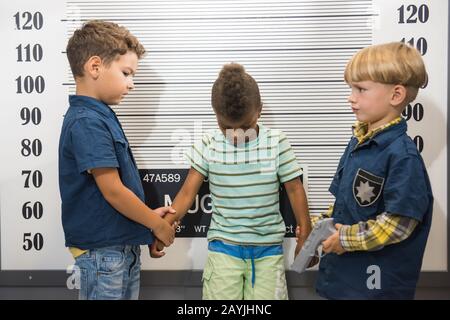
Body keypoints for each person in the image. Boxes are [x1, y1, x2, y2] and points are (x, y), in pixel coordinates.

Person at [151, 63, 311, 299]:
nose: (235, 135)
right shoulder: (208, 144)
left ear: (260, 111)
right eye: (226, 127)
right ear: (216, 115)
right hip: (224, 250)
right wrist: (163, 229)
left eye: (244, 127)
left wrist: (305, 234)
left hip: (267, 252)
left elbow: (295, 189)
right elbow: (186, 194)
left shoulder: (276, 142)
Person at [300, 42, 433, 299]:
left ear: (396, 95)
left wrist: (345, 239)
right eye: (352, 88)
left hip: (374, 289)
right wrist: (314, 227)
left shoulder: (402, 156)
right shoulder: (357, 143)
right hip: (340, 282)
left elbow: (398, 224)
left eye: (361, 89)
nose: (351, 97)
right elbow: (345, 205)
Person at [59, 20, 176, 300]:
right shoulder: (87, 121)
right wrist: (155, 224)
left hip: (120, 249)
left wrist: (144, 225)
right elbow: (112, 191)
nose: (131, 84)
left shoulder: (101, 116)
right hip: (104, 256)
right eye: (126, 73)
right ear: (95, 66)